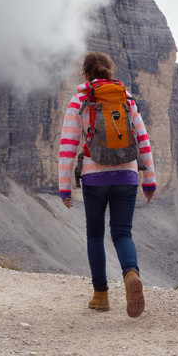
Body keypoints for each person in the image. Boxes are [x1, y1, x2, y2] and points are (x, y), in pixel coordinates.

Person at [58, 51, 156, 317]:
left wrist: (64, 186)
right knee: (122, 233)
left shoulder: (80, 100)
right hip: (127, 175)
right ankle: (131, 275)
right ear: (109, 72)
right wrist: (149, 180)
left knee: (95, 234)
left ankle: (100, 295)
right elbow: (143, 139)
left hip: (94, 177)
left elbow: (68, 147)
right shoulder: (127, 99)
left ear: (86, 74)